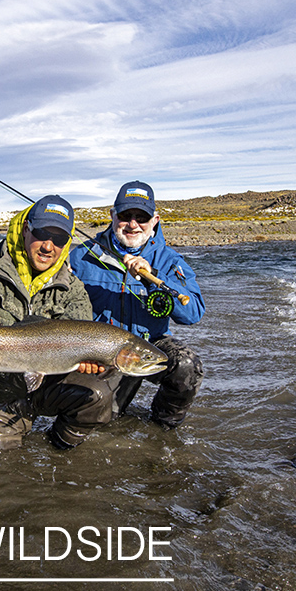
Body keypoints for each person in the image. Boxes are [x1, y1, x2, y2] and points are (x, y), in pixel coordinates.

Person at [0, 195, 113, 451]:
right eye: (42, 233)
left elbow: (81, 331)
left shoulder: (73, 288)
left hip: (43, 385)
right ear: (26, 228)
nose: (48, 246)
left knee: (98, 395)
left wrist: (87, 360)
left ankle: (58, 447)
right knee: (0, 471)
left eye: (60, 239)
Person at [69, 181, 205, 428]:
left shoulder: (169, 261)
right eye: (125, 215)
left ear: (155, 220)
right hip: (100, 349)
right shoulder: (80, 257)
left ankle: (163, 428)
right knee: (100, 422)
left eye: (141, 217)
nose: (132, 224)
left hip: (148, 344)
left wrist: (153, 277)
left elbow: (193, 313)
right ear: (112, 216)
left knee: (187, 365)